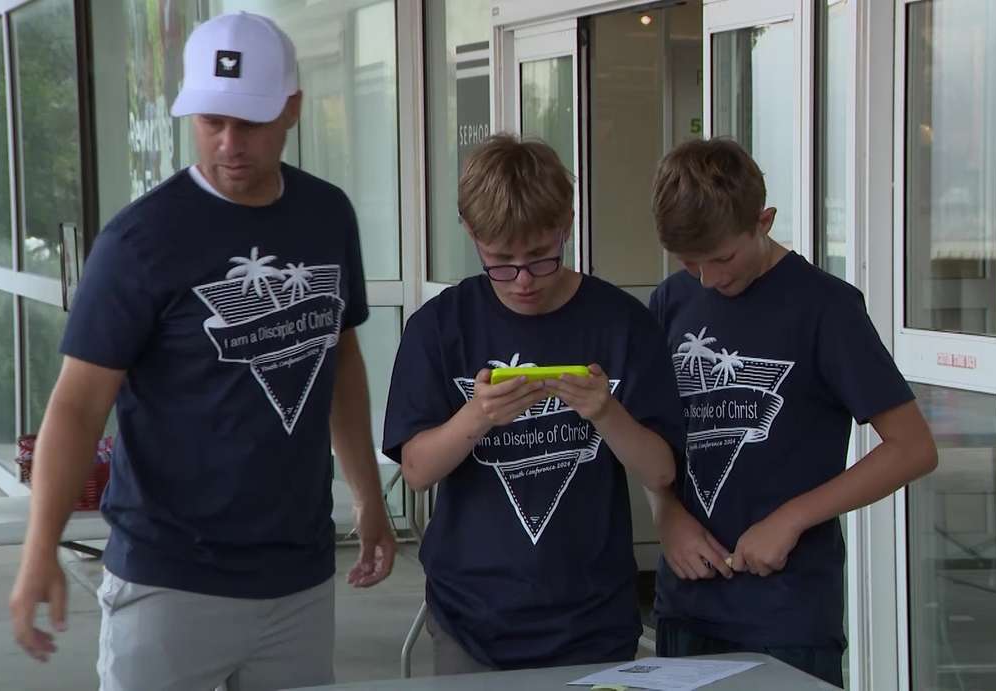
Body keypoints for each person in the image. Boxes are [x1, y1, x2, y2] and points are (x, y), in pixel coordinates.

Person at [7, 12, 396, 690]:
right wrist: (39, 548)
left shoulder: (328, 217)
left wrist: (368, 494)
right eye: (211, 120)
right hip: (168, 581)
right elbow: (75, 406)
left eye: (249, 121)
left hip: (297, 577)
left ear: (292, 110)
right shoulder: (139, 240)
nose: (228, 142)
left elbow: (339, 362)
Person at [382, 133, 684, 673]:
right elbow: (418, 470)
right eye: (501, 262)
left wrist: (606, 412)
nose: (522, 281)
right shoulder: (440, 327)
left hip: (593, 619)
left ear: (567, 223)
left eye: (542, 258)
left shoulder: (620, 323)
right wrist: (478, 415)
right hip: (470, 618)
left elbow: (660, 472)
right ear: (471, 234)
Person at [645, 137, 938, 687]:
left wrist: (790, 519)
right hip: (685, 603)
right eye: (689, 263)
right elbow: (653, 440)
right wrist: (666, 517)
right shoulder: (671, 301)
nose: (708, 279)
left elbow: (913, 449)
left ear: (764, 220)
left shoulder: (826, 308)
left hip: (788, 611)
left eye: (723, 258)